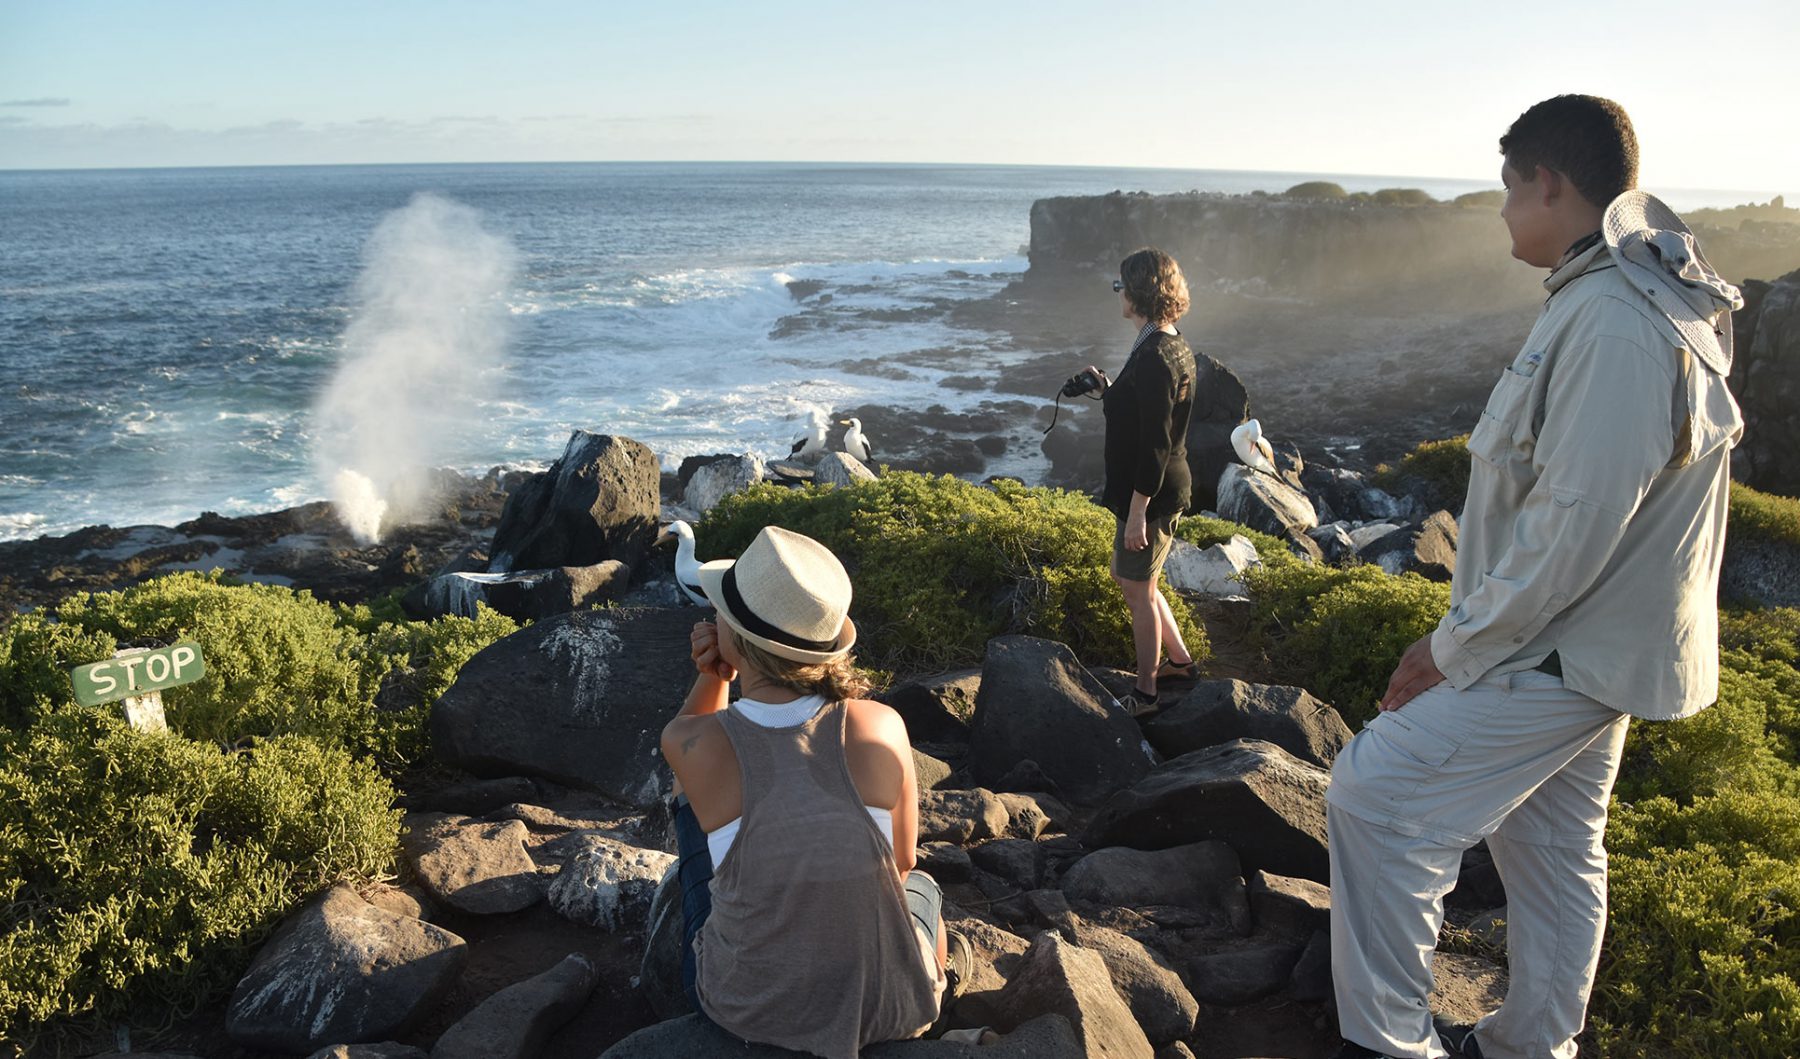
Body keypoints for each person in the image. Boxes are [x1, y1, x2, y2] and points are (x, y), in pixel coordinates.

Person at [1326, 95, 1744, 1059]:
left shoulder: (1612, 317)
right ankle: (1530, 1045)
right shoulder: (1625, 294)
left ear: (1549, 182)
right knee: (1552, 849)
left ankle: (1390, 1045)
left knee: (1376, 799)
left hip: (1560, 646)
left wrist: (1452, 643)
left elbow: (1575, 521)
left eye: (1510, 188)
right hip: (1596, 644)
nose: (1504, 210)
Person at [659, 525, 958, 1059]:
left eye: (722, 614)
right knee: (925, 890)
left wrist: (713, 674)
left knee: (694, 812)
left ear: (738, 640)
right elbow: (905, 861)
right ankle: (937, 976)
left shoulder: (695, 742)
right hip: (888, 1009)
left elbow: (687, 747)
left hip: (745, 1008)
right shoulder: (882, 724)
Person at [1082, 246, 1200, 713]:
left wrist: (1137, 514)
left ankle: (1147, 692)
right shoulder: (1170, 341)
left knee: (1137, 591)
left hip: (1150, 494)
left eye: (1121, 286)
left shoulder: (1154, 355)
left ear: (1139, 291)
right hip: (1160, 488)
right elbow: (1149, 413)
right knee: (1136, 582)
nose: (1118, 294)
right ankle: (1181, 661)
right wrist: (1109, 390)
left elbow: (1155, 442)